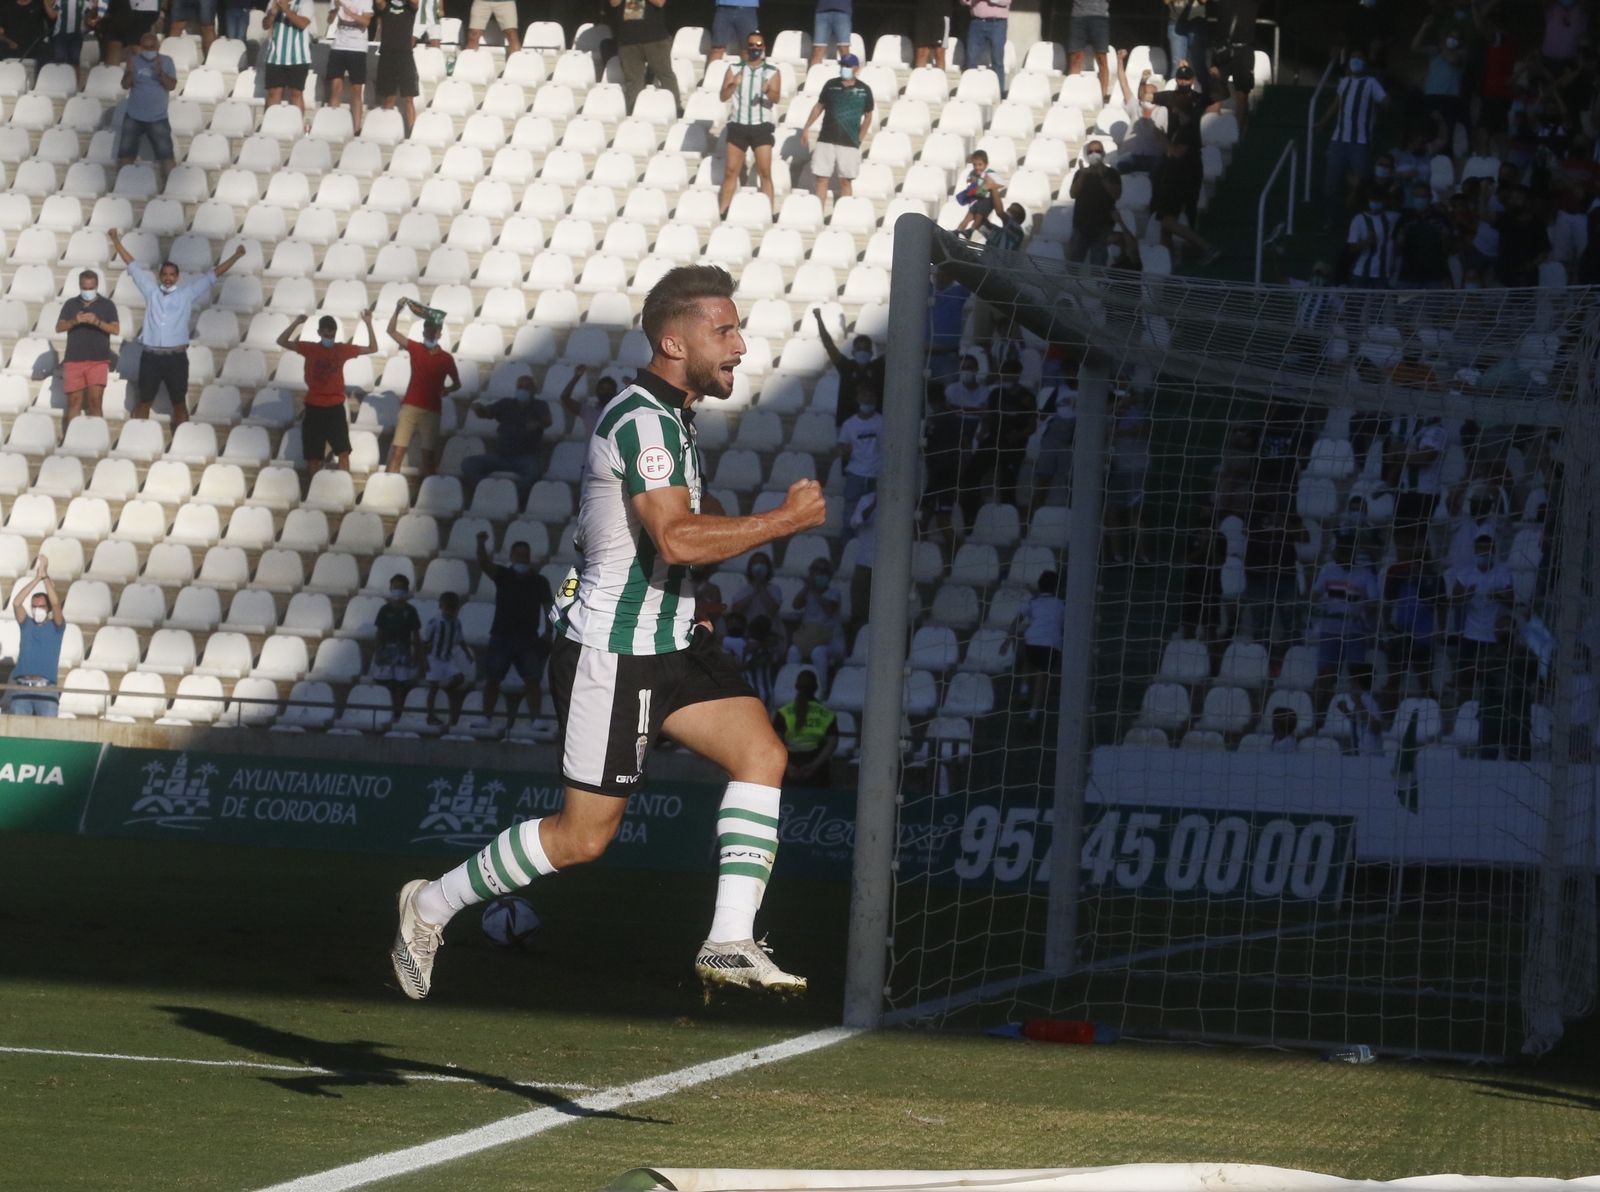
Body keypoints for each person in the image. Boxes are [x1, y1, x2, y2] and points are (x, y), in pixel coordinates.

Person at [391, 265, 827, 1003]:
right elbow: (678, 539)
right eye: (722, 330)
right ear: (671, 338)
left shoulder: (676, 417)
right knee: (583, 838)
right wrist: (784, 521)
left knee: (762, 753)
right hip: (615, 652)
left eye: (737, 329)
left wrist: (699, 580)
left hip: (675, 639)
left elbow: (674, 524)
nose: (740, 345)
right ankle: (428, 906)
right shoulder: (642, 419)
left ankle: (727, 942)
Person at [109, 230, 246, 427]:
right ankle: (138, 437)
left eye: (172, 275)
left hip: (176, 358)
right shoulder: (151, 292)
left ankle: (182, 436)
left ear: (177, 277)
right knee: (144, 401)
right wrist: (116, 241)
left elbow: (213, 275)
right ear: (159, 276)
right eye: (164, 274)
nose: (168, 278)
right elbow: (132, 265)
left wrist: (236, 256)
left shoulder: (187, 294)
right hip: (151, 356)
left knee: (179, 403)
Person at [473, 534, 555, 732]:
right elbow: (484, 563)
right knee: (493, 678)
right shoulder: (503, 575)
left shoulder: (540, 581)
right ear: (511, 557)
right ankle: (486, 717)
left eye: (525, 556)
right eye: (519, 556)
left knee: (532, 679)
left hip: (528, 638)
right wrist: (481, 544)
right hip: (502, 635)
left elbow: (548, 607)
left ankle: (535, 718)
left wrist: (549, 631)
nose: (522, 559)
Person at [279, 310, 377, 477]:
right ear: (319, 333)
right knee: (313, 457)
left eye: (331, 335)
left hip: (335, 408)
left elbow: (373, 348)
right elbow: (281, 341)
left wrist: (368, 323)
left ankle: (344, 486)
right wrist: (296, 323)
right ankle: (313, 492)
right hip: (314, 408)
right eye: (326, 335)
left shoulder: (341, 349)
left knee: (343, 452)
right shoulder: (309, 348)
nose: (329, 338)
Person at [385, 298, 460, 478]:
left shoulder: (447, 359)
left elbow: (457, 384)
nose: (430, 335)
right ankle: (389, 487)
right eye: (428, 331)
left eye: (433, 332)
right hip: (410, 406)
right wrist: (397, 309)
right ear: (424, 331)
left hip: (432, 410)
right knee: (397, 451)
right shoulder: (416, 348)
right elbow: (391, 331)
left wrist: (447, 390)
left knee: (428, 457)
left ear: (439, 334)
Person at [1310, 533, 1379, 712]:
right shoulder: (1328, 572)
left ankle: (1358, 714)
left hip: (1355, 632)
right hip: (1330, 631)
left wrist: (1362, 610)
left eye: (1347, 551)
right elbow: (1313, 596)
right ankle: (1318, 715)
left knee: (1356, 677)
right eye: (1341, 551)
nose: (1344, 554)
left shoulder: (1365, 575)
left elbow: (1375, 602)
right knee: (1325, 675)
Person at [1317, 54, 1388, 227]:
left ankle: (1357, 220)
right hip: (1338, 139)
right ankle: (1330, 219)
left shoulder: (1371, 83)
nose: (1356, 61)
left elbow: (1386, 101)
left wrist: (1376, 112)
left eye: (1359, 57)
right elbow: (1337, 103)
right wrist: (1324, 121)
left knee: (1361, 181)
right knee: (1330, 182)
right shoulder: (1344, 82)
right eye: (1353, 57)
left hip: (1361, 141)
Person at [719, 31, 781, 218]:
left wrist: (768, 90)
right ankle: (722, 212)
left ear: (763, 48)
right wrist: (733, 85)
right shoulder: (734, 68)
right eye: (751, 45)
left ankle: (768, 213)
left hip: (760, 126)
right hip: (738, 125)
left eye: (758, 45)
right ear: (746, 47)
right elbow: (723, 96)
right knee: (731, 171)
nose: (754, 48)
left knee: (764, 171)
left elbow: (776, 98)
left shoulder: (772, 71)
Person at [463, 375, 551, 502]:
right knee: (468, 464)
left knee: (534, 472)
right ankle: (488, 491)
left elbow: (548, 421)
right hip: (500, 456)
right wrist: (478, 409)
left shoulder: (540, 405)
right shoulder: (506, 404)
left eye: (527, 387)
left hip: (526, 458)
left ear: (534, 390)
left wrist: (538, 424)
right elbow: (486, 413)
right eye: (520, 387)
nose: (523, 390)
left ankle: (511, 498)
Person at [802, 53, 873, 206]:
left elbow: (868, 116)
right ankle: (818, 214)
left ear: (856, 68)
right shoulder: (831, 85)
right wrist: (806, 127)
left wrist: (860, 138)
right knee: (821, 178)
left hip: (849, 141)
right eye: (842, 65)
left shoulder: (864, 90)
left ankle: (845, 213)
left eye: (847, 66)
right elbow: (819, 106)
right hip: (826, 138)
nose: (844, 69)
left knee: (845, 181)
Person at [55, 269, 118, 438]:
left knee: (95, 402)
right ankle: (71, 440)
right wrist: (75, 321)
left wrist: (96, 321)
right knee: (74, 402)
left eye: (91, 288)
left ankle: (97, 438)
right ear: (80, 286)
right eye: (85, 287)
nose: (87, 291)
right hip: (74, 360)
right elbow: (59, 327)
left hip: (98, 360)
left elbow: (115, 329)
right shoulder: (71, 304)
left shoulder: (107, 305)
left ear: (97, 286)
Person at [7, 558, 66, 718]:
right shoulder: (26, 624)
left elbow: (55, 604)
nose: (36, 609)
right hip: (22, 689)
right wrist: (36, 579)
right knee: (18, 734)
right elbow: (17, 603)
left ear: (47, 609)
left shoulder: (56, 627)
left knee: (48, 736)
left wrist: (45, 577)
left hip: (46, 690)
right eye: (34, 606)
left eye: (41, 606)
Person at [117, 31, 176, 175]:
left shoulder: (166, 61)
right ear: (141, 47)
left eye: (152, 47)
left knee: (166, 156)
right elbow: (125, 85)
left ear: (157, 46)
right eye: (146, 47)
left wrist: (161, 73)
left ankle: (172, 187)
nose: (149, 50)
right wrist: (130, 72)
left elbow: (172, 85)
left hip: (157, 117)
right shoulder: (134, 60)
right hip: (133, 116)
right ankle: (122, 186)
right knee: (125, 154)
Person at [813, 309, 882, 427]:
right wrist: (819, 320)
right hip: (846, 423)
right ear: (853, 352)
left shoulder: (877, 367)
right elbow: (829, 345)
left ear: (871, 352)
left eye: (865, 349)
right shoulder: (846, 366)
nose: (862, 352)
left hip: (873, 425)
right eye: (859, 348)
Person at [611, 0, 679, 117]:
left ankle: (676, 109)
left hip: (655, 38)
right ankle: (634, 114)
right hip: (628, 40)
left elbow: (660, 2)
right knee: (633, 80)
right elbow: (614, 3)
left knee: (665, 75)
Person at [1013, 570, 1064, 723]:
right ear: (1056, 587)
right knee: (1041, 678)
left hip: (1033, 640)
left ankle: (1023, 690)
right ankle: (1033, 714)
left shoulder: (1033, 602)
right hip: (1050, 644)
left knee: (1027, 662)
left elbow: (1018, 618)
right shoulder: (1061, 604)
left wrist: (1010, 635)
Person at [774, 669, 838, 785]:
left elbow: (775, 742)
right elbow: (832, 743)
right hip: (818, 773)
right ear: (816, 688)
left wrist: (789, 767)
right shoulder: (827, 714)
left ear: (796, 687)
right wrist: (813, 767)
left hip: (789, 772)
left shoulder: (783, 713)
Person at [370, 573, 423, 713]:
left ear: (406, 589)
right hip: (386, 650)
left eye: (401, 587)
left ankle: (399, 712)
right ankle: (385, 710)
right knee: (385, 682)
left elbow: (416, 635)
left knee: (400, 683)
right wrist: (377, 652)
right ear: (390, 588)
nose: (397, 590)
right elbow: (379, 633)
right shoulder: (384, 609)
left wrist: (416, 655)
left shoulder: (411, 610)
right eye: (395, 587)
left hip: (403, 651)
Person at [421, 590, 475, 727]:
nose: (450, 612)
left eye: (453, 609)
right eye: (447, 608)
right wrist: (424, 661)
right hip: (434, 658)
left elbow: (460, 639)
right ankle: (430, 716)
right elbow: (425, 642)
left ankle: (447, 689)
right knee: (433, 688)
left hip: (447, 658)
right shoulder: (435, 622)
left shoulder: (456, 623)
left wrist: (467, 653)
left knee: (459, 678)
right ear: (441, 606)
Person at [1066, 139, 1122, 265]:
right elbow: (1073, 194)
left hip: (1104, 227)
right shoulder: (1081, 173)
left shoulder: (1112, 173)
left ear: (1103, 153)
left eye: (1097, 151)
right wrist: (1083, 176)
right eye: (1090, 152)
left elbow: (1116, 194)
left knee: (1098, 266)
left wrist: (1102, 176)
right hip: (1081, 226)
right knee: (1073, 264)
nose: (1094, 154)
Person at [836, 388, 881, 537]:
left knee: (873, 513)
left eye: (870, 398)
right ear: (858, 399)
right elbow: (842, 447)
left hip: (876, 473)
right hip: (856, 473)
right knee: (850, 512)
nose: (867, 401)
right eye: (864, 397)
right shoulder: (849, 424)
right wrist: (845, 451)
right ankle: (848, 545)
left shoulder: (883, 422)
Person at [1114, 51, 1169, 176]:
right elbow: (1123, 84)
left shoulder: (1163, 110)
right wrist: (1120, 60)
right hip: (1133, 155)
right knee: (1120, 166)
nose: (1148, 94)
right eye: (1146, 91)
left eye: (1152, 92)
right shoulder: (1135, 107)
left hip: (1154, 156)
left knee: (1162, 171)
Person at [327, 0, 375, 135]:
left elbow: (366, 22)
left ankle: (357, 127)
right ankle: (332, 126)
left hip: (357, 47)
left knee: (356, 89)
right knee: (335, 87)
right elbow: (329, 21)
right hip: (338, 46)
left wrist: (349, 13)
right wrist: (335, 10)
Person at [263, 0, 316, 115]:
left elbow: (303, 24)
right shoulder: (273, 1)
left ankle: (297, 126)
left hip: (298, 57)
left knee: (296, 94)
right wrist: (272, 14)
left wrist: (286, 10)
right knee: (273, 93)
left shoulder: (305, 2)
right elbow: (265, 25)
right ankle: (271, 126)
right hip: (275, 56)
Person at [375, 0, 420, 133]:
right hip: (387, 54)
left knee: (409, 98)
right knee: (389, 98)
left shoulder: (409, 7)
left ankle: (412, 132)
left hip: (405, 54)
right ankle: (388, 130)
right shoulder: (386, 5)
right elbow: (378, 2)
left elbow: (415, 2)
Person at [557, 364, 622, 440]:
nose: (605, 392)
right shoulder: (588, 411)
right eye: (602, 389)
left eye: (609, 389)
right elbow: (565, 398)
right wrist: (576, 377)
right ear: (597, 392)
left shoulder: (622, 413)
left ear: (615, 392)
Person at [960, 0, 1010, 95]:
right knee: (971, 60)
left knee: (997, 61)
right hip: (976, 22)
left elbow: (1006, 2)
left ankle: (998, 94)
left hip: (998, 23)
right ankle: (971, 92)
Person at [954, 149, 1005, 239]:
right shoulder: (973, 174)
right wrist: (973, 182)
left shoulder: (989, 173)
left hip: (987, 200)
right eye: (975, 165)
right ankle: (957, 231)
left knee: (979, 215)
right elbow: (971, 185)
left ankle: (972, 230)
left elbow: (1002, 183)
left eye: (980, 164)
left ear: (986, 164)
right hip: (977, 199)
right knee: (968, 216)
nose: (977, 167)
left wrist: (991, 186)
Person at [1066, 0, 1109, 103]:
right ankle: (1072, 95)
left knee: (1101, 58)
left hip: (1100, 17)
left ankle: (1102, 97)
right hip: (1078, 16)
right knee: (1076, 58)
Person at [45, 0, 99, 69]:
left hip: (76, 35)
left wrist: (94, 9)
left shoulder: (85, 2)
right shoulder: (60, 1)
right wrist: (45, 3)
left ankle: (73, 78)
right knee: (59, 59)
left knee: (74, 61)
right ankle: (58, 77)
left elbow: (88, 18)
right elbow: (53, 15)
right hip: (60, 35)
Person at [1165, 0, 1207, 83]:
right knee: (1177, 64)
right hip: (1175, 21)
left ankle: (1200, 94)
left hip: (1197, 22)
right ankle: (1176, 93)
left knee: (1197, 63)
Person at [912, 0, 948, 69]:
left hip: (942, 14)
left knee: (939, 51)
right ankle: (920, 78)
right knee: (922, 51)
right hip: (922, 15)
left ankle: (940, 78)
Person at [810, 0, 849, 64]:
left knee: (844, 49)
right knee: (818, 50)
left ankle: (847, 73)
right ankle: (814, 73)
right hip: (822, 13)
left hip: (843, 12)